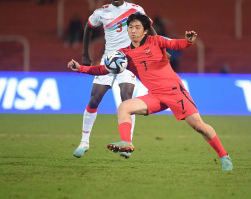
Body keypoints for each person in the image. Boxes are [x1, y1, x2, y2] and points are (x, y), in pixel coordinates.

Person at [68, 13, 233, 171]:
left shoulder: (156, 41)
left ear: (145, 30)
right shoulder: (125, 54)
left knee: (199, 127)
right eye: (131, 27)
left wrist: (188, 41)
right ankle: (126, 143)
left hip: (175, 92)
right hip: (154, 95)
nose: (133, 31)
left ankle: (224, 156)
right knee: (124, 107)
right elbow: (105, 69)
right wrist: (81, 68)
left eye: (137, 27)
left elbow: (175, 44)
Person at [72, 0, 157, 159]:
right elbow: (88, 27)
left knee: (127, 101)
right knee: (94, 99)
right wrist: (85, 55)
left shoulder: (136, 10)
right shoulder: (102, 12)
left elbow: (149, 27)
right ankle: (84, 142)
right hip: (109, 61)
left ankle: (127, 144)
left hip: (129, 61)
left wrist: (159, 49)